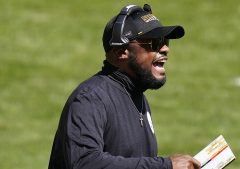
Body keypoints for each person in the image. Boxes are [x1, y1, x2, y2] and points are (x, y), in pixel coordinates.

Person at [48, 4, 200, 169]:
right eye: (155, 43)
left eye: (166, 41)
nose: (165, 49)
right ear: (121, 51)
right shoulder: (90, 98)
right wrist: (164, 166)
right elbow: (85, 163)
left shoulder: (138, 99)